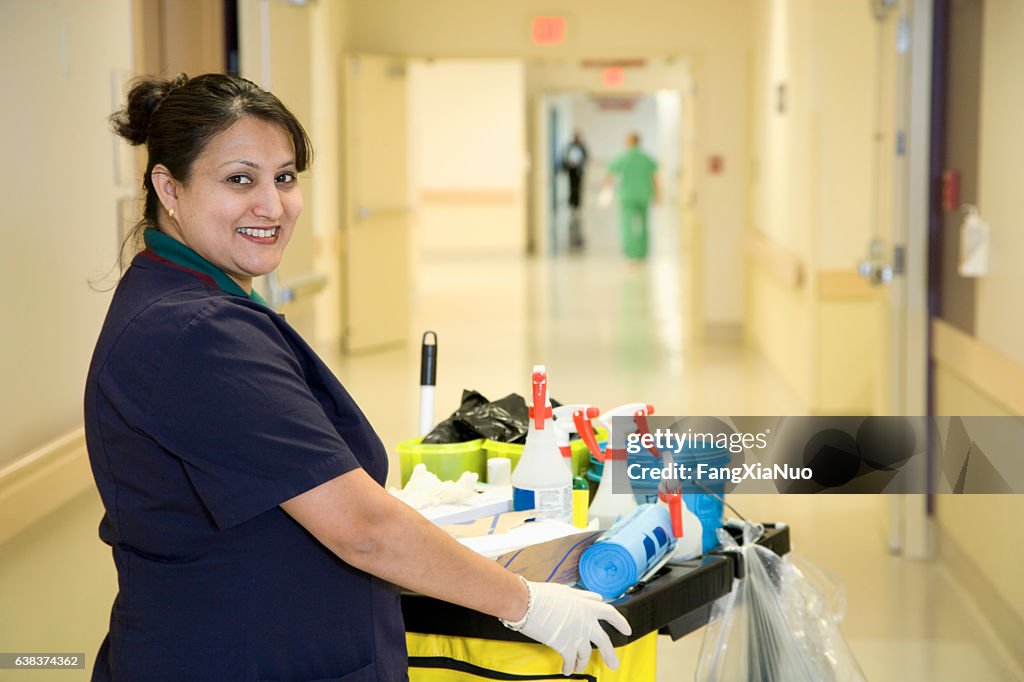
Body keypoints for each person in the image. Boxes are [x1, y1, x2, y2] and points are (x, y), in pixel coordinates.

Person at [86, 73, 629, 681]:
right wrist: (527, 604)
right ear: (170, 187)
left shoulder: (182, 297)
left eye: (285, 177)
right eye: (240, 179)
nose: (272, 205)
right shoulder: (197, 333)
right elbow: (364, 530)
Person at [604, 132, 660, 259]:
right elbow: (654, 177)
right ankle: (643, 252)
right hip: (644, 195)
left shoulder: (623, 157)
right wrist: (658, 194)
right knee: (644, 224)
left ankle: (631, 253)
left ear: (629, 142)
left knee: (627, 225)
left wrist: (606, 191)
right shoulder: (646, 158)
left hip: (627, 196)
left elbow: (609, 173)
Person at [561, 131, 589, 248]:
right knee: (572, 188)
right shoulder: (569, 146)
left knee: (578, 189)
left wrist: (580, 163)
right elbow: (565, 159)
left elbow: (586, 158)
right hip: (571, 172)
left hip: (579, 172)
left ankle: (578, 205)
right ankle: (572, 204)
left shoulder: (582, 147)